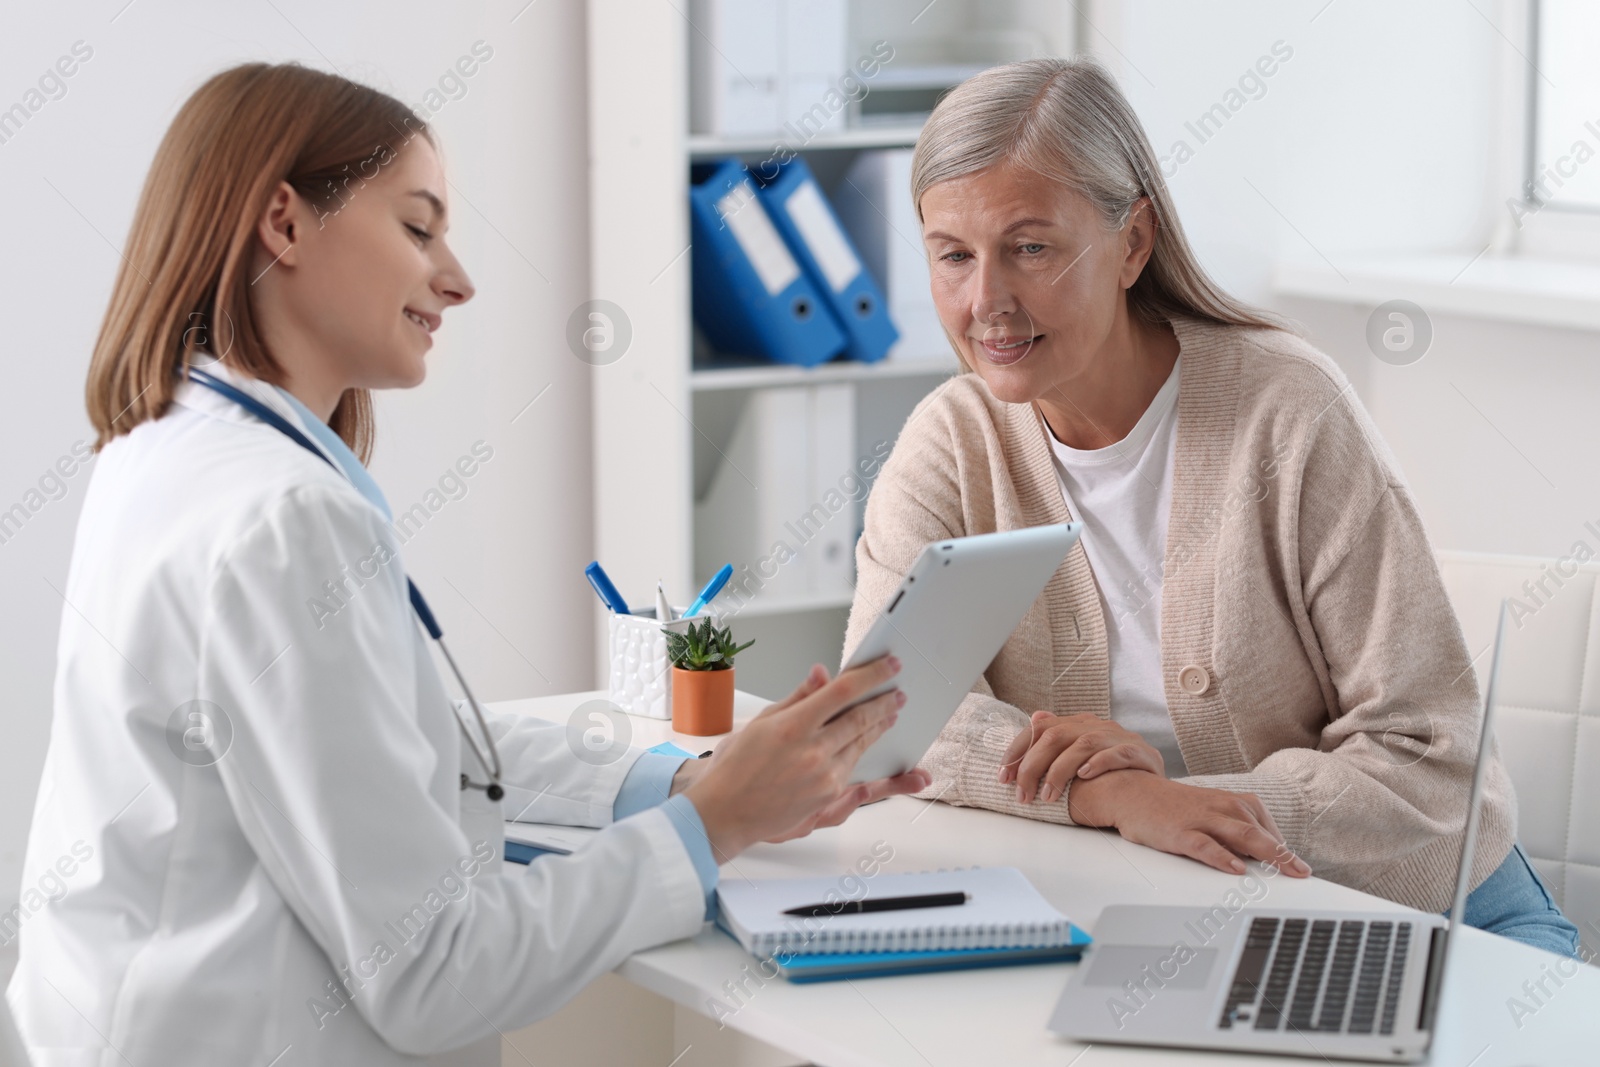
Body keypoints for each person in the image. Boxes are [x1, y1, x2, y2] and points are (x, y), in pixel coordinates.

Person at [7, 63, 929, 1066]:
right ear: (283, 222)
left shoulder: (169, 445)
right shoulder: (284, 517)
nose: (458, 277)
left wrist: (692, 781)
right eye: (417, 226)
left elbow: (406, 747)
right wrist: (708, 825)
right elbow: (429, 971)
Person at [843, 56, 1579, 957]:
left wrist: (1188, 807)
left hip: (1431, 910)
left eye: (1030, 247)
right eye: (953, 255)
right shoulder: (948, 443)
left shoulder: (1289, 411)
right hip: (1152, 908)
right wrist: (1110, 796)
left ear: (1133, 242)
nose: (986, 301)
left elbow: (1428, 757)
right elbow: (880, 714)